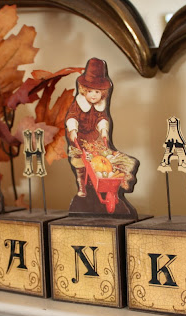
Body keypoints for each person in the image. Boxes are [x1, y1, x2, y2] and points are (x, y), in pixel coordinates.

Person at [65, 58, 138, 211]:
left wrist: (103, 129)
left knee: (101, 160)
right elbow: (72, 117)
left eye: (97, 92)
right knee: (78, 161)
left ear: (103, 93)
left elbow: (102, 118)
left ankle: (101, 182)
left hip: (93, 139)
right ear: (83, 90)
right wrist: (72, 129)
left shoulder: (100, 106)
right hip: (79, 138)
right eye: (90, 91)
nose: (93, 95)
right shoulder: (78, 105)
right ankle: (81, 184)